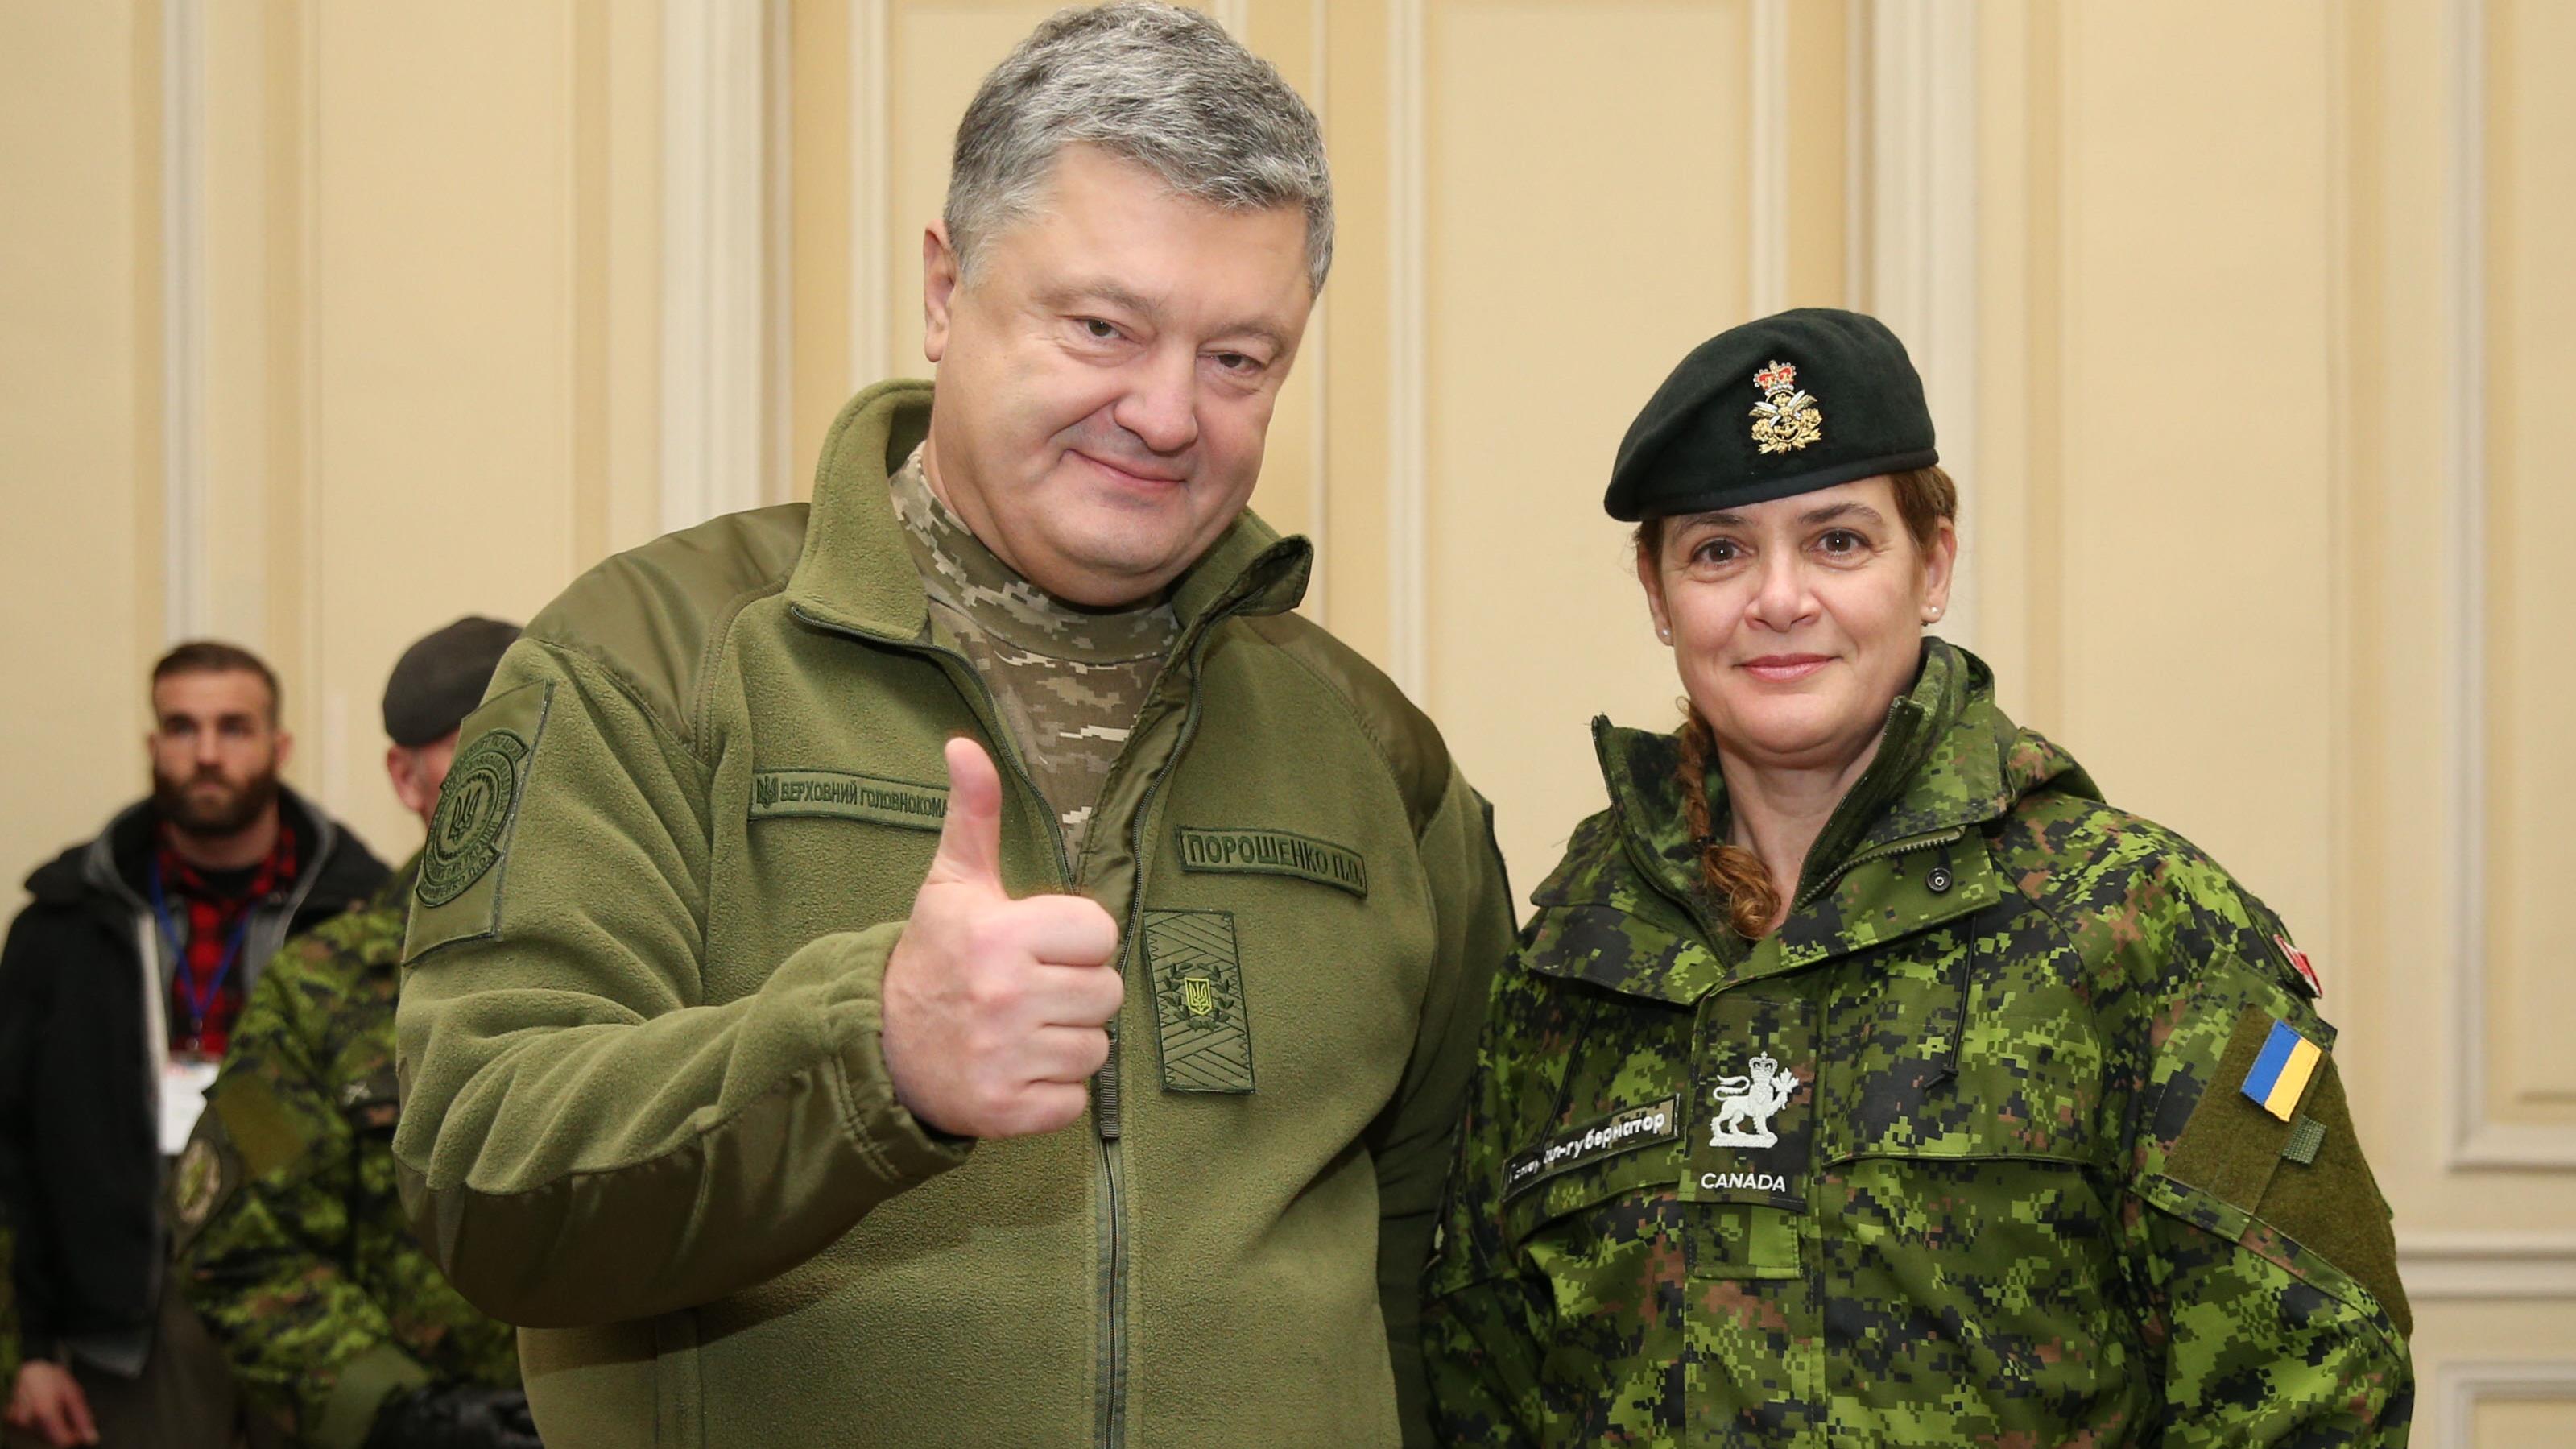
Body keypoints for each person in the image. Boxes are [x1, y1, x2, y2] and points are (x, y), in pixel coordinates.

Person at [391, 6, 1515, 1446]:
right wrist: (870, 1052)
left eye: (1238, 359)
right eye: (1102, 326)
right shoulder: (650, 662)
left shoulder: (1370, 748)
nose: (1167, 413)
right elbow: (475, 1166)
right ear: (944, 288)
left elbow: (1433, 1250)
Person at [1421, 308, 2414, 1445]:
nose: (1778, 598)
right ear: (1657, 594)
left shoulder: (2137, 921)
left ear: (1929, 565)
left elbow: (2311, 1385)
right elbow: (1476, 1386)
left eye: (1836, 540)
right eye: (1717, 549)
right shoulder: (1567, 971)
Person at [0, 642, 388, 1448]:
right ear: (152, 745)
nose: (207, 752)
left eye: (234, 727)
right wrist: (26, 1351)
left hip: (326, 1319)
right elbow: (12, 1151)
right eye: (182, 725)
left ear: (279, 747)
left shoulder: (364, 920)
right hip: (121, 1335)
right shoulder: (63, 928)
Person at [176, 619, 532, 1449]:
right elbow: (240, 1244)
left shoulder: (676, 964)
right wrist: (400, 1408)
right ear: (406, 779)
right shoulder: (318, 991)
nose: (521, 768)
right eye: (477, 742)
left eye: (540, 732)